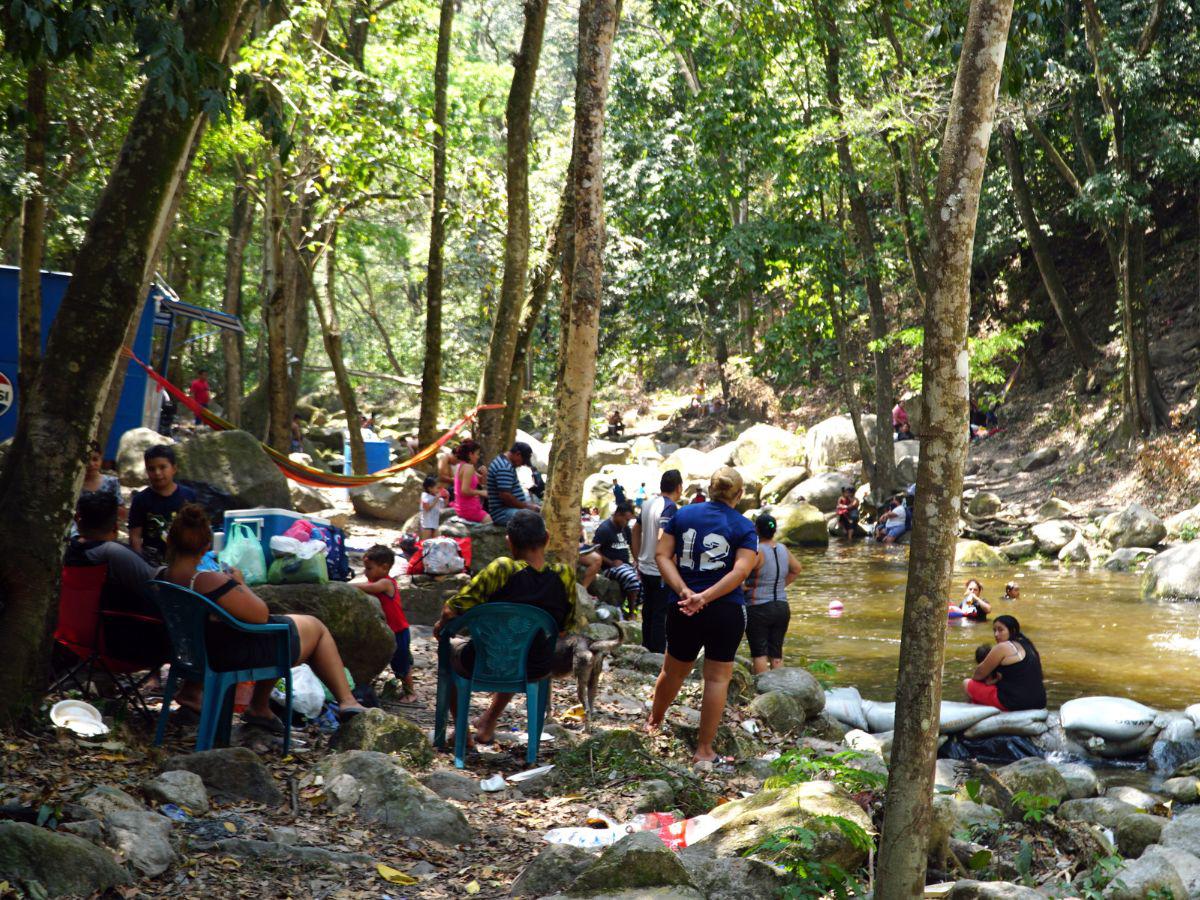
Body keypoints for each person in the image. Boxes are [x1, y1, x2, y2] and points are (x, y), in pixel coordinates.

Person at [161, 504, 365, 730]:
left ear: (170, 540)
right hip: (225, 655)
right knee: (314, 628)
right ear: (206, 546)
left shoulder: (162, 577)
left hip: (190, 654)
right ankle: (347, 701)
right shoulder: (208, 580)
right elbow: (260, 615)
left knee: (280, 624)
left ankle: (241, 702)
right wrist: (239, 584)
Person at [433, 510, 579, 745]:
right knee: (521, 645)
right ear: (547, 538)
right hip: (537, 666)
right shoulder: (564, 576)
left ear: (509, 542)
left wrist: (441, 626)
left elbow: (452, 609)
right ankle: (489, 721)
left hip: (486, 661)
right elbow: (564, 629)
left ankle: (462, 730)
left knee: (451, 649)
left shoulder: (502, 569)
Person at [646, 467, 758, 766]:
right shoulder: (744, 527)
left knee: (673, 670)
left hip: (683, 606)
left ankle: (654, 722)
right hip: (724, 609)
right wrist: (705, 597)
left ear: (710, 488)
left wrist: (685, 591)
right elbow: (741, 571)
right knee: (717, 679)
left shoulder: (683, 515)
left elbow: (661, 555)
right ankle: (704, 749)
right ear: (740, 494)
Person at [65, 492, 167, 664]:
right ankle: (192, 688)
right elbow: (158, 585)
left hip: (71, 639)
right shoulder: (112, 554)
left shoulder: (66, 552)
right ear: (115, 526)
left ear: (77, 519)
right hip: (120, 647)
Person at [352, 545, 417, 705]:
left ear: (385, 567)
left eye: (369, 568)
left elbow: (371, 588)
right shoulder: (375, 580)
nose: (366, 572)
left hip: (399, 631)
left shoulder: (386, 583)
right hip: (386, 631)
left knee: (401, 662)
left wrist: (345, 585)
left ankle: (411, 692)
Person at [630, 469, 683, 653]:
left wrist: (637, 557)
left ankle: (646, 647)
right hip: (659, 569)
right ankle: (657, 653)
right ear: (679, 487)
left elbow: (635, 530)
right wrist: (669, 561)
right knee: (660, 613)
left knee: (648, 610)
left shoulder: (647, 504)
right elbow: (663, 533)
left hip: (645, 566)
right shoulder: (669, 507)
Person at [744, 513, 802, 674]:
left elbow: (742, 574)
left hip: (758, 608)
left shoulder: (757, 552)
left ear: (756, 530)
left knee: (759, 653)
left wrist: (742, 588)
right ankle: (778, 689)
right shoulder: (783, 548)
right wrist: (780, 585)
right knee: (776, 653)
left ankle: (762, 691)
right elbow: (796, 569)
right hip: (782, 607)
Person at [129, 445, 196, 566]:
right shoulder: (140, 500)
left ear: (174, 468)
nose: (157, 473)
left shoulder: (188, 496)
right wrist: (139, 563)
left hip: (183, 560)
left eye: (162, 467)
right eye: (151, 469)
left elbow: (197, 530)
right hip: (151, 563)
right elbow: (135, 536)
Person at [963, 615, 1046, 711]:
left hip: (1014, 703)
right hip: (1039, 702)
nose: (996, 634)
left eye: (1000, 630)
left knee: (967, 683)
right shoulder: (1029, 646)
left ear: (1012, 630)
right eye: (994, 630)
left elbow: (978, 675)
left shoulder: (1003, 647)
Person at [594, 501, 642, 617]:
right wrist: (611, 562)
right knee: (632, 579)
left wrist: (637, 561)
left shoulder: (624, 528)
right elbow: (595, 550)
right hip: (610, 568)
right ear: (618, 515)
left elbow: (632, 544)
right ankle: (631, 614)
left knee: (644, 578)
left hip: (625, 564)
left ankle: (632, 608)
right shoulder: (604, 529)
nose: (627, 522)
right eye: (626, 519)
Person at [486, 442, 539, 525]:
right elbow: (505, 496)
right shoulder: (504, 467)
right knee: (534, 520)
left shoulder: (505, 463)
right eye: (523, 461)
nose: (522, 464)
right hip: (502, 513)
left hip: (507, 510)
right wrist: (526, 507)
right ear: (518, 454)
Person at [450, 440, 491, 524]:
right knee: (491, 521)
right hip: (469, 510)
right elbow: (464, 491)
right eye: (477, 454)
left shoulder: (463, 465)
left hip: (463, 508)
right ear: (470, 454)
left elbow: (481, 482)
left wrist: (484, 474)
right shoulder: (468, 467)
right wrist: (481, 492)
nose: (478, 457)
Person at [420, 475, 449, 539]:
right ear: (430, 488)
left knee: (436, 541)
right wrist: (436, 499)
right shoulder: (425, 496)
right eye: (438, 488)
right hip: (426, 524)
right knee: (425, 542)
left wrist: (447, 497)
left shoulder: (438, 497)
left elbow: (444, 506)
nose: (439, 490)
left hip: (435, 524)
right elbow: (427, 508)